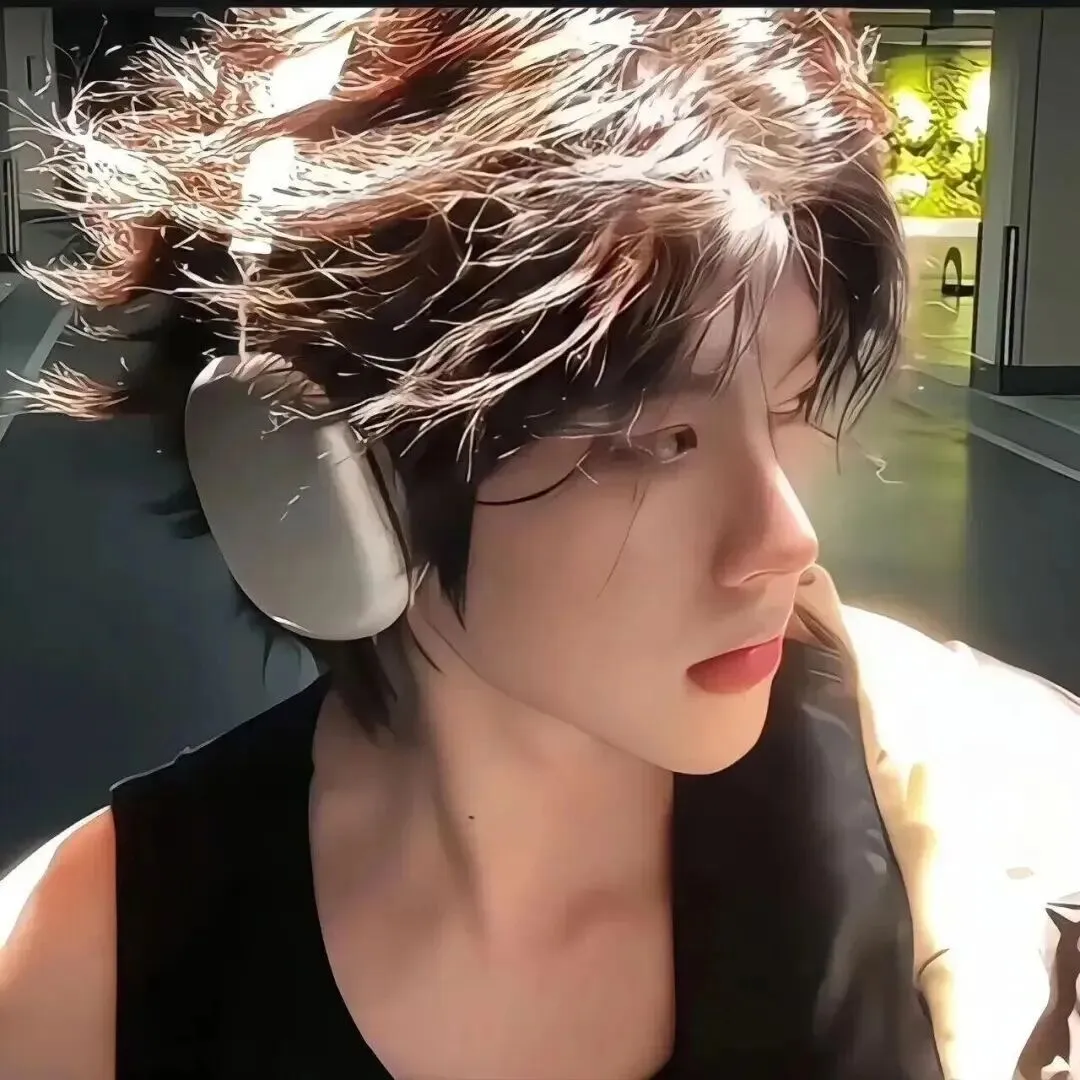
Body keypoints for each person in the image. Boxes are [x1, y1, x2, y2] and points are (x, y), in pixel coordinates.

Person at [1, 8, 1078, 1080]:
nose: (784, 541)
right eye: (657, 439)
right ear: (326, 471)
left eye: (792, 404)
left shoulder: (995, 824)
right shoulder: (88, 970)